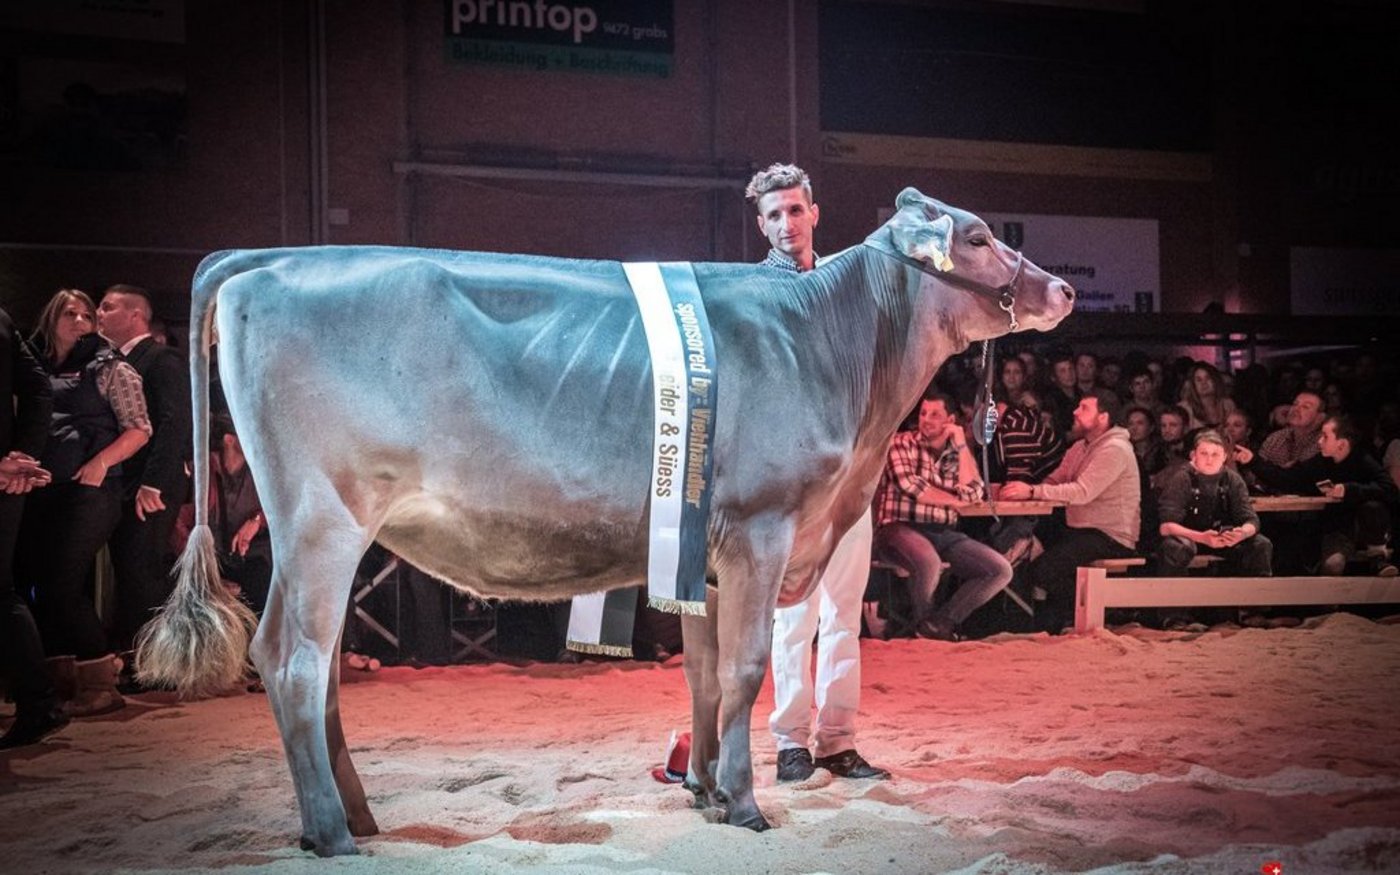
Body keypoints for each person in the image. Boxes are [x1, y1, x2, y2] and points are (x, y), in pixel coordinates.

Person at [747, 163, 887, 782]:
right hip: (791, 479)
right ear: (762, 225)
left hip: (851, 469)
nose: (787, 223)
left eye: (795, 210)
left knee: (843, 614)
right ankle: (790, 743)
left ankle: (838, 740)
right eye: (775, 214)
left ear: (814, 213)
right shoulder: (755, 292)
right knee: (792, 615)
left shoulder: (847, 284)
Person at [15, 290, 150, 717]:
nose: (79, 321)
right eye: (69, 314)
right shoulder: (34, 368)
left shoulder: (111, 367)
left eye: (86, 315)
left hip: (93, 490)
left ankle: (100, 683)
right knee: (39, 583)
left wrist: (101, 462)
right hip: (43, 488)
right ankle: (62, 681)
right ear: (50, 319)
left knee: (62, 583)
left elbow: (139, 428)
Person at [96, 284, 193, 657]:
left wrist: (154, 482)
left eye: (108, 307)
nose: (99, 314)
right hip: (125, 481)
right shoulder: (111, 361)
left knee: (142, 568)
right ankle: (137, 656)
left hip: (151, 483)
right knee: (129, 567)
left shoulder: (162, 359)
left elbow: (175, 422)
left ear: (135, 315)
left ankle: (154, 662)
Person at [872, 395, 1014, 641]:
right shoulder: (901, 442)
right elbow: (911, 486)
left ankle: (937, 625)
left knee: (1000, 570)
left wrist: (961, 445)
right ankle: (924, 626)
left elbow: (974, 492)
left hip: (943, 532)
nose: (926, 420)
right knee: (929, 561)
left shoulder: (956, 453)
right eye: (923, 413)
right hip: (899, 527)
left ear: (950, 420)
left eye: (934, 414)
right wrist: (955, 500)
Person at [1001, 390, 1140, 632]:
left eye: (1084, 408)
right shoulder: (1079, 447)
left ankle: (1102, 612)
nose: (1075, 411)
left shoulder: (1115, 449)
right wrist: (1024, 491)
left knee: (1046, 570)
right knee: (1030, 553)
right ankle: (1049, 625)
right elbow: (1057, 479)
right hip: (1081, 529)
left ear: (1103, 417)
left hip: (1110, 535)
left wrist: (1032, 492)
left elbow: (1082, 491)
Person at [0, 307, 69, 749]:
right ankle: (39, 703)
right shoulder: (3, 319)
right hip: (11, 476)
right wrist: (22, 455)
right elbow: (39, 388)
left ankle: (40, 702)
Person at [1241, 415, 1397, 575]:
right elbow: (1287, 478)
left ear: (1342, 444)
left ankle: (1378, 560)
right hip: (1338, 528)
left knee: (1373, 508)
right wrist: (1253, 461)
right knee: (1332, 565)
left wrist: (1348, 489)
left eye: (1325, 437)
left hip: (1367, 528)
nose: (1319, 441)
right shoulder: (1320, 462)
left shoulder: (1362, 460)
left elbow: (1389, 489)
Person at [1156, 430, 1271, 577]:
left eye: (1215, 454)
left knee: (1261, 545)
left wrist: (1241, 533)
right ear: (1193, 455)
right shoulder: (1181, 479)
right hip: (1191, 537)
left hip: (1223, 538)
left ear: (1224, 457)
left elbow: (1251, 520)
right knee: (1174, 548)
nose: (1209, 459)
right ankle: (1176, 591)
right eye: (1204, 453)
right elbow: (1166, 527)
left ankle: (1255, 591)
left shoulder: (1232, 479)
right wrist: (1202, 537)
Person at [1256, 391, 1326, 469]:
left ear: (1320, 418)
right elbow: (1258, 468)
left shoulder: (1324, 442)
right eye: (1295, 404)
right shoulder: (1275, 438)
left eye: (1305, 407)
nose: (1296, 409)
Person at [1180, 363, 1235, 431]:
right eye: (1199, 380)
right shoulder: (1184, 408)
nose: (1204, 383)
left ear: (1215, 380)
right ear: (1193, 384)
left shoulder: (1228, 404)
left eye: (1208, 378)